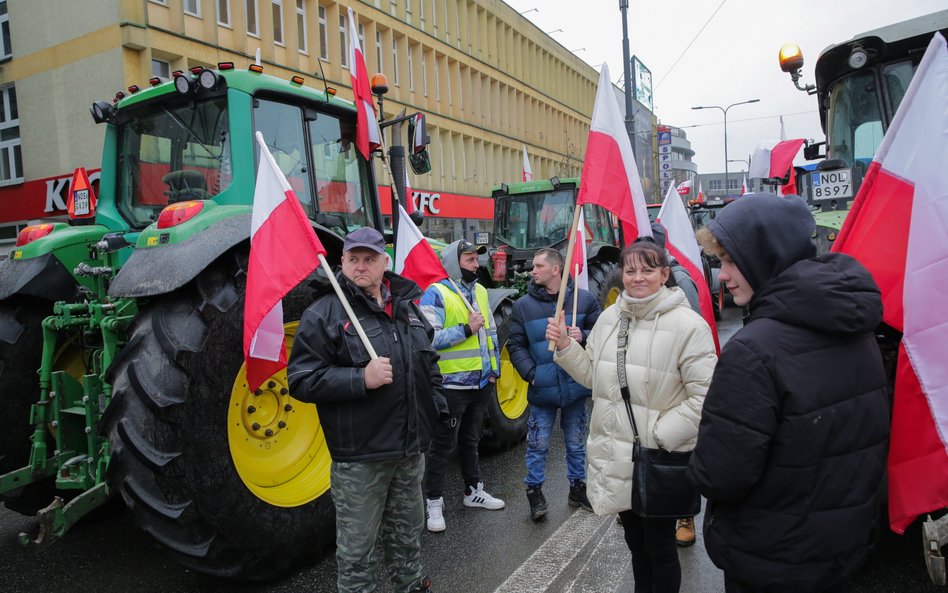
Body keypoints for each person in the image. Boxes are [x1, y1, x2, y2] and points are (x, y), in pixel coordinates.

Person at [688, 193, 890, 593]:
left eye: (730, 261)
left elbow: (721, 476)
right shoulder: (857, 329)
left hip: (771, 558)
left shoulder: (752, 351)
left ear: (764, 255)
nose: (723, 276)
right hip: (842, 547)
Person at [546, 240, 717, 593]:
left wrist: (659, 435)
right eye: (630, 270)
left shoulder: (689, 326)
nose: (638, 278)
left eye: (648, 270)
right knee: (637, 548)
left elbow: (707, 399)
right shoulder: (610, 320)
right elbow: (595, 377)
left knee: (660, 548)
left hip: (658, 458)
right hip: (617, 457)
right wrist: (565, 346)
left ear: (665, 275)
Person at [287, 227, 447, 593]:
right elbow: (301, 380)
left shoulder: (407, 308)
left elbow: (429, 364)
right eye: (353, 259)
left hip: (409, 453)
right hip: (361, 459)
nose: (361, 266)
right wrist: (361, 378)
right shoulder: (325, 313)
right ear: (341, 262)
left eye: (369, 259)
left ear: (384, 262)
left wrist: (435, 410)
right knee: (358, 553)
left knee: (407, 539)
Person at [507, 248, 601, 521]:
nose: (532, 271)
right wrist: (531, 374)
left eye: (538, 266)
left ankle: (577, 488)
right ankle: (534, 492)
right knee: (537, 444)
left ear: (555, 269)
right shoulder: (522, 306)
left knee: (575, 441)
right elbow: (516, 345)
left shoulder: (583, 301)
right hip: (542, 388)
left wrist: (581, 334)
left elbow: (603, 332)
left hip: (574, 386)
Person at [419, 239, 505, 533]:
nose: (476, 264)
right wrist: (466, 329)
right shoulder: (436, 294)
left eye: (476, 258)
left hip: (480, 383)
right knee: (442, 445)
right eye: (469, 259)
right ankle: (433, 502)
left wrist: (494, 371)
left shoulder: (480, 291)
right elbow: (429, 339)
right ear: (455, 263)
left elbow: (491, 333)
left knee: (471, 440)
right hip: (451, 386)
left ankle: (473, 491)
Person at [649, 221, 701, 547]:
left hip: (676, 382)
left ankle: (685, 516)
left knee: (680, 452)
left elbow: (692, 333)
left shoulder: (680, 280)